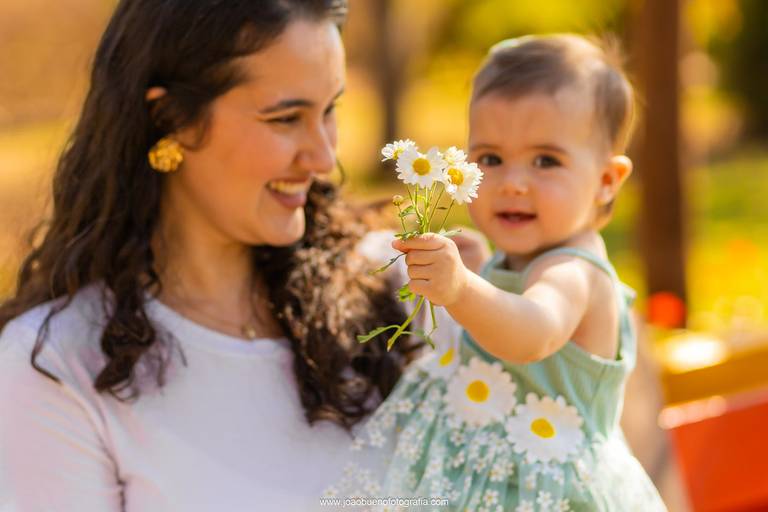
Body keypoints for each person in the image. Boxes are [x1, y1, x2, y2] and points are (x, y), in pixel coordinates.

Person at [0, 1, 482, 510]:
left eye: (330, 110)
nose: (322, 157)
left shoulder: (398, 288)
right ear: (172, 119)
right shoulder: (58, 366)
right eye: (286, 118)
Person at [328, 34, 668, 511]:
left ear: (606, 182)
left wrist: (464, 288)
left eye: (545, 161)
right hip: (494, 483)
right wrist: (483, 266)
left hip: (548, 494)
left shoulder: (575, 272)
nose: (512, 184)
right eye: (490, 159)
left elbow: (532, 332)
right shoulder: (526, 262)